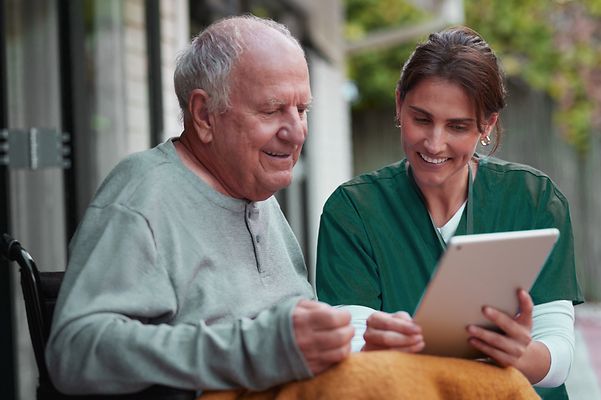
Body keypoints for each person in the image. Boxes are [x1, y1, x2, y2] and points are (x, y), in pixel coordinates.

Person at [46, 15, 354, 395]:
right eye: (272, 110)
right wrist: (252, 351)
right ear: (205, 115)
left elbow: (284, 334)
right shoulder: (143, 196)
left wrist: (354, 337)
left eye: (302, 109)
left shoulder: (254, 190)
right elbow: (75, 351)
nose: (296, 133)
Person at [316, 26, 583, 400]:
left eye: (457, 126)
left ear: (486, 126)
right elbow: (352, 354)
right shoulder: (354, 211)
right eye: (421, 119)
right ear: (398, 104)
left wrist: (522, 355)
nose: (434, 143)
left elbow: (559, 357)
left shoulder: (533, 200)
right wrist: (375, 348)